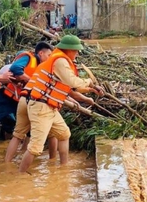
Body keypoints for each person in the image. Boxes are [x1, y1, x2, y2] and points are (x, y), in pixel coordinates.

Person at [19, 35, 104, 173]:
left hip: (49, 107)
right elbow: (72, 82)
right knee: (35, 148)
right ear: (68, 49)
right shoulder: (60, 61)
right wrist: (89, 81)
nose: (77, 53)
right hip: (41, 107)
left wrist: (92, 88)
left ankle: (64, 168)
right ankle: (19, 177)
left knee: (64, 134)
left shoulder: (60, 60)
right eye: (76, 50)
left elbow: (72, 88)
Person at [0, 42, 59, 163]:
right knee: (52, 134)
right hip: (35, 103)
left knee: (19, 134)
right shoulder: (41, 64)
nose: (50, 57)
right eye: (48, 54)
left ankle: (7, 163)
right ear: (41, 53)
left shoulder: (41, 66)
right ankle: (53, 164)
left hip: (23, 100)